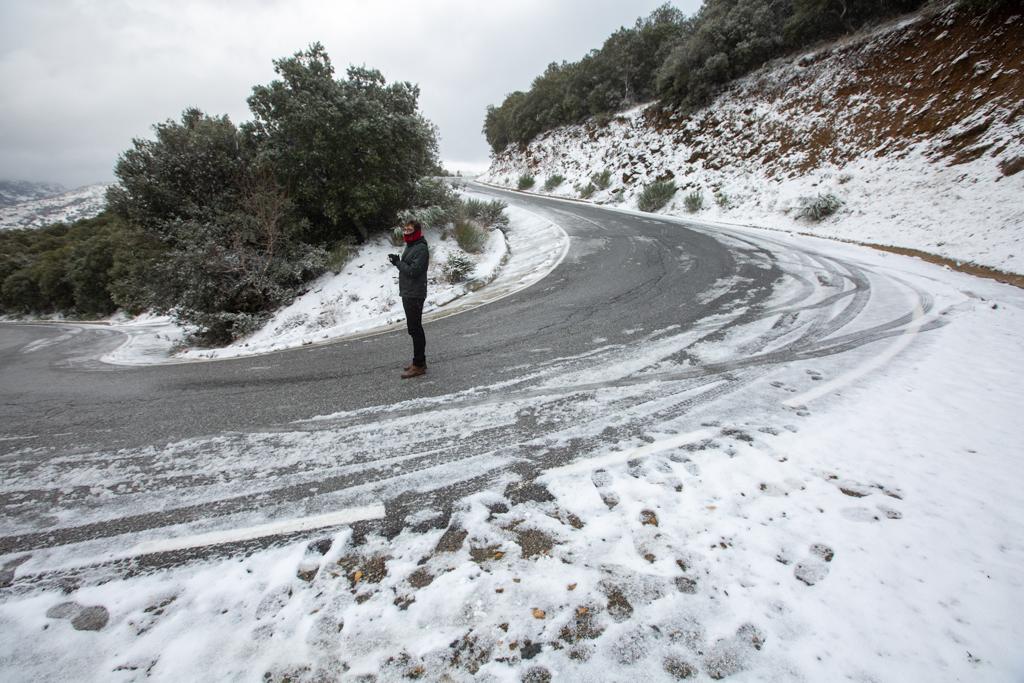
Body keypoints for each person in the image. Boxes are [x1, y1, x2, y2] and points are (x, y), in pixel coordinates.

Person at [388, 219, 429, 378]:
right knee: (413, 328)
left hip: (415, 293)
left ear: (417, 231)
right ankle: (419, 361)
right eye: (404, 230)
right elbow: (409, 266)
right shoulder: (411, 246)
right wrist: (397, 261)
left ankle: (419, 365)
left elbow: (413, 271)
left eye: (409, 230)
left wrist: (398, 263)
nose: (406, 232)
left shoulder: (421, 248)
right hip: (408, 292)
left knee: (415, 329)